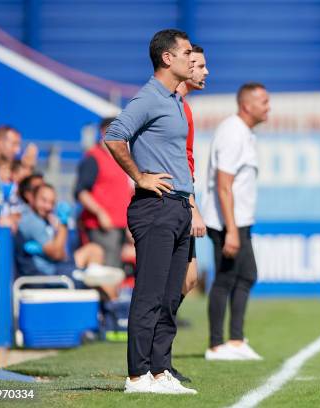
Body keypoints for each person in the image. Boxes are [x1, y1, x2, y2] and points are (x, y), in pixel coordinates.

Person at [104, 29, 197, 395]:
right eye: (187, 52)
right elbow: (114, 135)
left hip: (177, 207)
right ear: (167, 58)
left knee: (170, 295)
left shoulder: (174, 100)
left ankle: (160, 371)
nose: (192, 59)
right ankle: (137, 375)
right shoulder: (149, 97)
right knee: (150, 294)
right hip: (155, 208)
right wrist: (139, 176)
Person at [202, 82, 270, 361]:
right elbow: (223, 185)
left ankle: (236, 340)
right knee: (226, 279)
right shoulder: (232, 133)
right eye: (263, 101)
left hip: (239, 220)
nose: (269, 107)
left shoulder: (245, 133)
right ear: (246, 105)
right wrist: (231, 229)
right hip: (226, 222)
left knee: (247, 275)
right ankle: (217, 345)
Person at [15, 183, 124, 299]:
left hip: (57, 267)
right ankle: (112, 308)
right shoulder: (33, 222)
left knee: (94, 250)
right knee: (104, 286)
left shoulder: (44, 220)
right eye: (43, 200)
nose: (48, 206)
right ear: (32, 198)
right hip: (49, 276)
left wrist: (50, 250)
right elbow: (57, 254)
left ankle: (92, 274)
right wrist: (63, 223)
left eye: (52, 203)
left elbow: (62, 254)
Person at [173, 44, 209, 331]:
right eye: (198, 65)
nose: (205, 71)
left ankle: (160, 351)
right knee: (175, 279)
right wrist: (193, 208)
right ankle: (155, 357)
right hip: (172, 202)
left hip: (184, 198)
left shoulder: (185, 107)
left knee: (189, 279)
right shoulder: (170, 106)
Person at [75, 118, 133, 268]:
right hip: (102, 227)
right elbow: (81, 192)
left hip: (119, 227)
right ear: (104, 132)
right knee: (105, 272)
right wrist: (100, 213)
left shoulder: (119, 159)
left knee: (115, 271)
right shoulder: (93, 158)